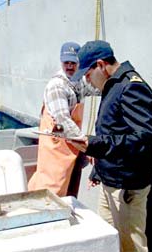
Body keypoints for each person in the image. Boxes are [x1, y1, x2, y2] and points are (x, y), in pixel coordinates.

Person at [68, 40, 152, 252]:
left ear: (100, 64)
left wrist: (95, 145)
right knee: (108, 242)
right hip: (111, 180)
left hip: (126, 185)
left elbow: (144, 138)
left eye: (88, 74)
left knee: (131, 247)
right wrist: (99, 171)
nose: (87, 80)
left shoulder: (132, 87)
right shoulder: (113, 85)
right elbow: (114, 131)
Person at [28, 41, 99, 197]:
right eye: (66, 62)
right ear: (61, 61)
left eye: (73, 62)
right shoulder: (57, 85)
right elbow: (63, 120)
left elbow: (97, 88)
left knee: (70, 187)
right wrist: (88, 145)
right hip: (56, 144)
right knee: (50, 186)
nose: (69, 66)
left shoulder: (78, 82)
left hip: (71, 145)